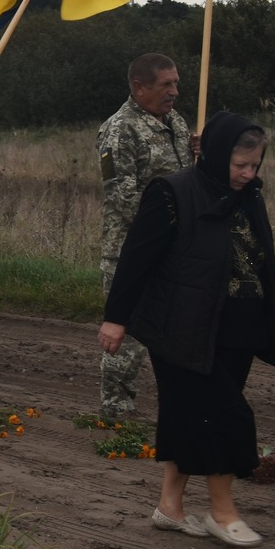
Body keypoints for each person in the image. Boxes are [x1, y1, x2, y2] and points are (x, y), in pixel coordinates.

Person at [102, 113, 275, 548]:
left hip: (235, 329)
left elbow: (262, 264)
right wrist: (116, 318)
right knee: (226, 416)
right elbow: (136, 259)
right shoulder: (172, 192)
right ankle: (223, 513)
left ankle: (170, 508)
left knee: (190, 415)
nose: (248, 173)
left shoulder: (248, 198)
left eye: (255, 165)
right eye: (241, 165)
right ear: (218, 156)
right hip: (180, 327)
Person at [97, 54, 195, 420]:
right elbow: (122, 195)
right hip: (131, 249)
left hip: (176, 250)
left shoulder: (176, 124)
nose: (175, 91)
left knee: (175, 327)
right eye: (165, 85)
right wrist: (173, 224)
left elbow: (188, 179)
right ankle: (116, 411)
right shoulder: (119, 129)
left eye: (176, 82)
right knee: (128, 333)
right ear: (139, 87)